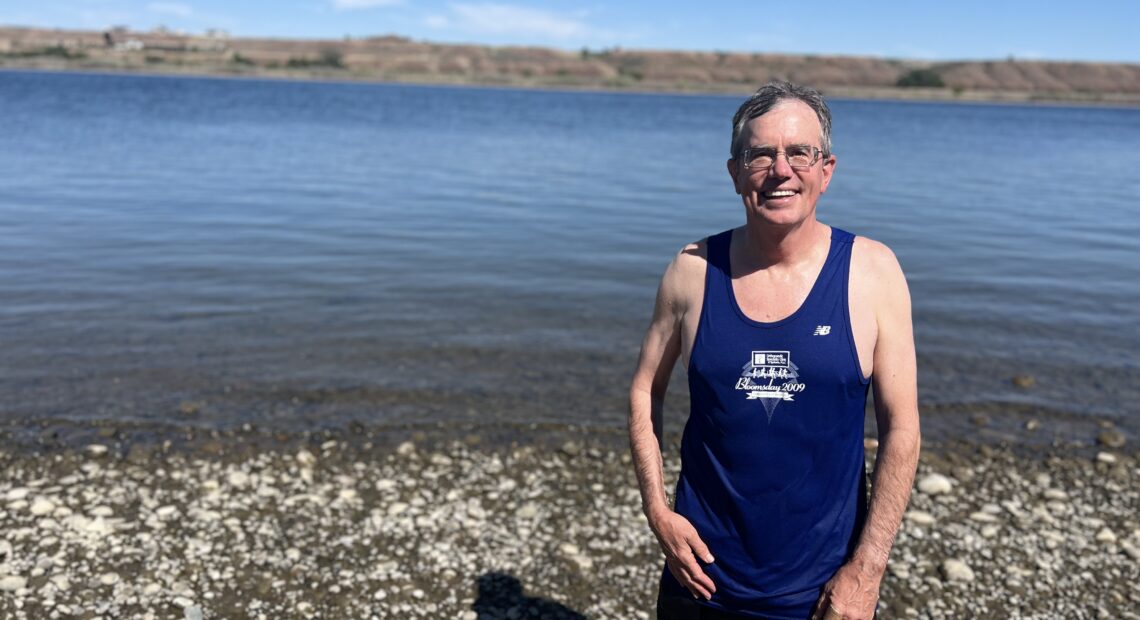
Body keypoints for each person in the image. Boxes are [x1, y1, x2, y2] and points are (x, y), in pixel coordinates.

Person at [628, 81, 921, 620]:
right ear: (735, 172)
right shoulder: (692, 271)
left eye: (799, 153)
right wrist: (657, 511)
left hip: (823, 590)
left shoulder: (872, 272)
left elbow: (901, 429)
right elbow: (646, 389)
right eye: (760, 154)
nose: (780, 170)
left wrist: (868, 567)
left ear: (826, 170)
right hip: (699, 577)